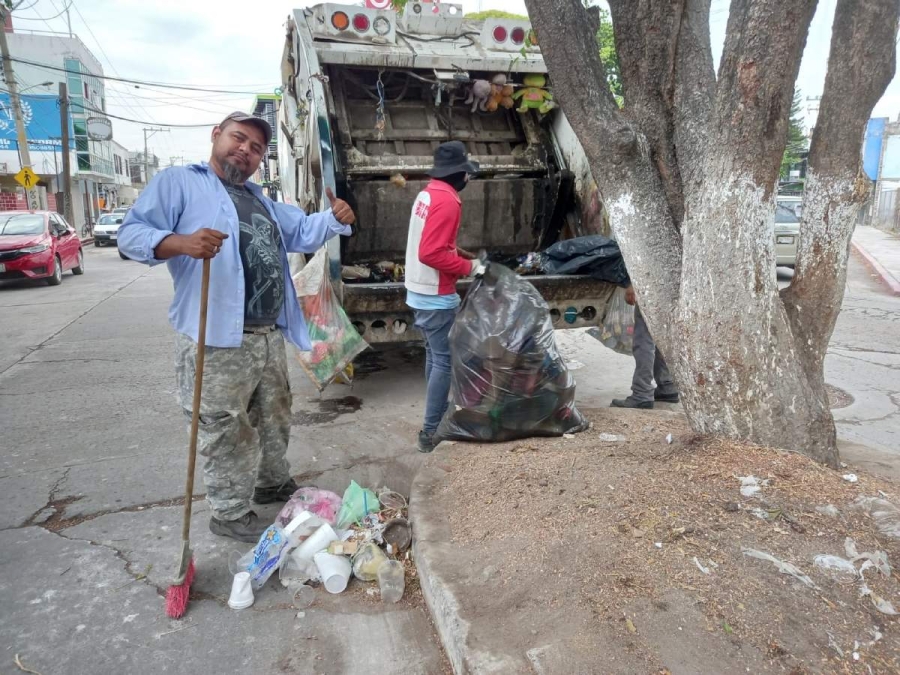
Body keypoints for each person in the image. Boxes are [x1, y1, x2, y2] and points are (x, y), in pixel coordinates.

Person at [118, 111, 356, 543]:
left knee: (274, 415)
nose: (245, 150)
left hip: (265, 335)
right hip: (216, 338)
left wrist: (335, 215)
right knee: (225, 425)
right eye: (238, 138)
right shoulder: (180, 182)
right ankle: (228, 511)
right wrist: (181, 243)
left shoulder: (259, 199)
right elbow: (130, 234)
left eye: (256, 148)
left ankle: (271, 481)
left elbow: (302, 232)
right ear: (216, 136)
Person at [405, 141, 482, 453]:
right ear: (460, 174)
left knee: (435, 357)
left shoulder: (428, 193)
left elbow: (432, 242)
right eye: (466, 174)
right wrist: (469, 267)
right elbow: (430, 252)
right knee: (445, 362)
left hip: (418, 291)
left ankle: (435, 415)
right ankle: (431, 430)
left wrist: (461, 253)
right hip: (435, 296)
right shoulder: (449, 201)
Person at [610, 284, 679, 409]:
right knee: (661, 333)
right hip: (669, 286)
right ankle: (667, 385)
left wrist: (633, 284)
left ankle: (642, 393)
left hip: (652, 285)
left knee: (644, 338)